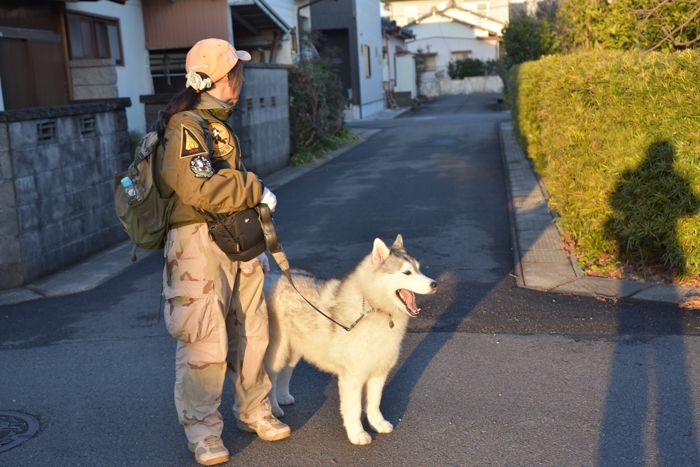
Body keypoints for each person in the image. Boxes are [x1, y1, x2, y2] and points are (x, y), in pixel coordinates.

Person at [154, 38, 289, 466]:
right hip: (196, 243)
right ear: (221, 78)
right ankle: (203, 430)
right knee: (204, 337)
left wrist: (256, 233)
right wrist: (255, 187)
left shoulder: (217, 122)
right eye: (237, 70)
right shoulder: (184, 127)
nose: (242, 78)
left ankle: (254, 409)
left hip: (236, 238)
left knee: (254, 327)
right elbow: (197, 188)